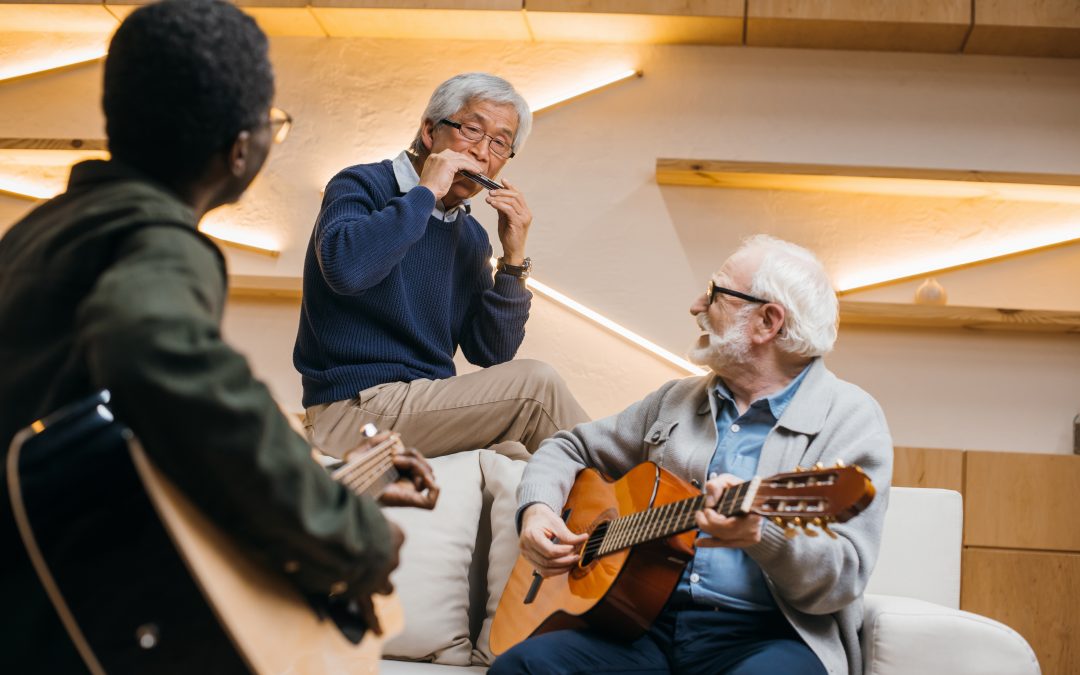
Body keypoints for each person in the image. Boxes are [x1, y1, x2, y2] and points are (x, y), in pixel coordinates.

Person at [0, 2, 434, 672]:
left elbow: (139, 451)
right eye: (272, 122)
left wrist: (334, 485)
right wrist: (353, 536)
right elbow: (151, 346)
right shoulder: (158, 240)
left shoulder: (33, 237)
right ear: (239, 150)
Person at [495, 235, 893, 675]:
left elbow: (840, 583)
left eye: (716, 292)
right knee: (522, 668)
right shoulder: (676, 399)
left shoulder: (850, 419)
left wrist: (765, 535)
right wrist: (538, 509)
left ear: (767, 321)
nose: (696, 305)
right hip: (641, 629)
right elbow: (570, 446)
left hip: (767, 637)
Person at [294, 72, 589, 461]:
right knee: (536, 387)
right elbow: (348, 271)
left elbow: (491, 352)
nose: (483, 152)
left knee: (521, 460)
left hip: (418, 406)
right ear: (431, 131)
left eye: (500, 143)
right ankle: (638, 499)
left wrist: (513, 262)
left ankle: (615, 520)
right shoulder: (360, 185)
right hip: (349, 411)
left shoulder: (469, 238)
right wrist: (425, 192)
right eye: (472, 130)